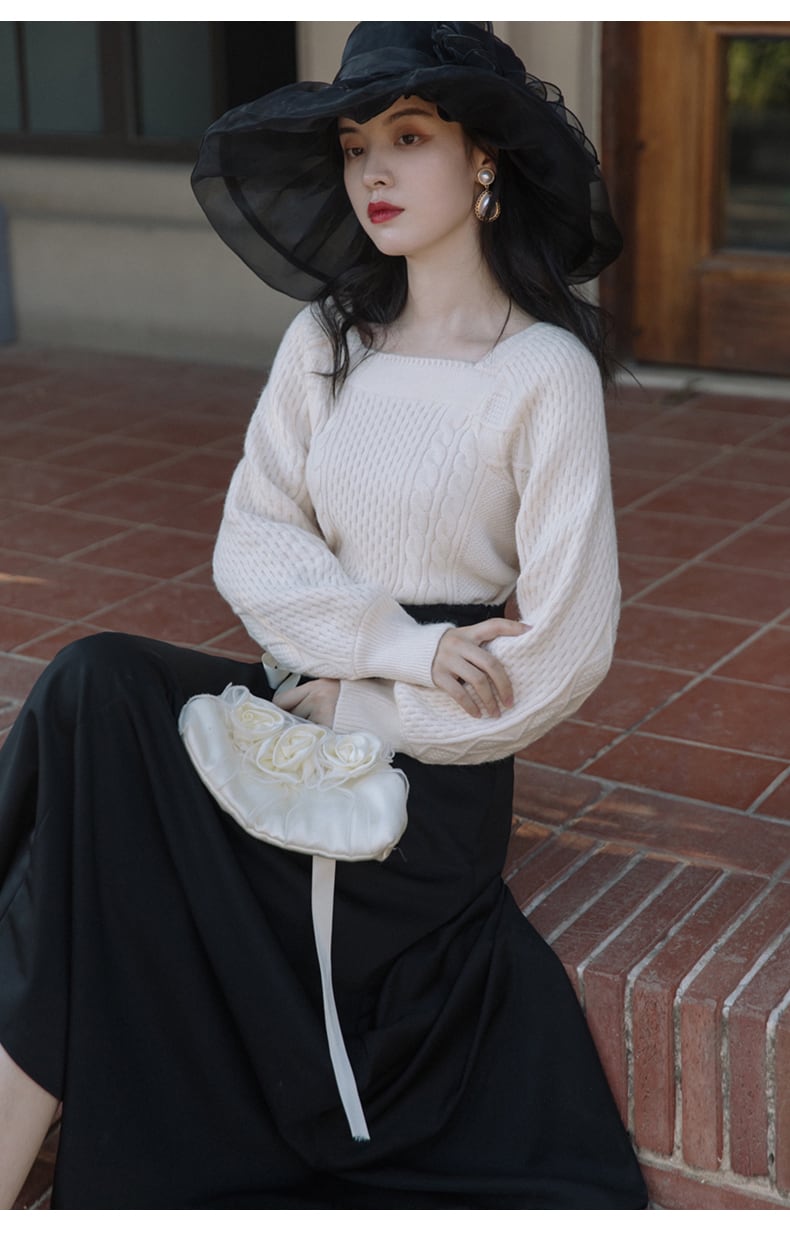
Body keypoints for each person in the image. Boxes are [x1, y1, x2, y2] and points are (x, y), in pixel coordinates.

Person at [0, 22, 647, 1208]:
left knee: (80, 842)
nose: (372, 172)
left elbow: (566, 647)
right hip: (304, 699)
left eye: (408, 138)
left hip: (421, 775)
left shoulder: (542, 372)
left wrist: (373, 701)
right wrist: (392, 646)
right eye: (355, 147)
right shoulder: (327, 338)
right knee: (96, 683)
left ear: (485, 159)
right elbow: (254, 541)